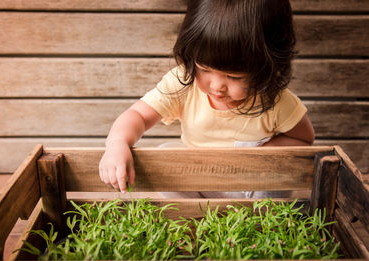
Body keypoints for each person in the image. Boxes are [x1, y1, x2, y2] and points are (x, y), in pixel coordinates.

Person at [99, 0, 315, 197]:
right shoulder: (184, 82)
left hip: (250, 187)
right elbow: (138, 115)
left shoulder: (274, 100)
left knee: (275, 179)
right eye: (204, 69)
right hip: (201, 180)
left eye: (233, 76)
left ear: (266, 69)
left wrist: (261, 157)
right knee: (165, 155)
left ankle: (258, 232)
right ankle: (191, 218)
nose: (217, 85)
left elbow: (303, 139)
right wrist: (117, 143)